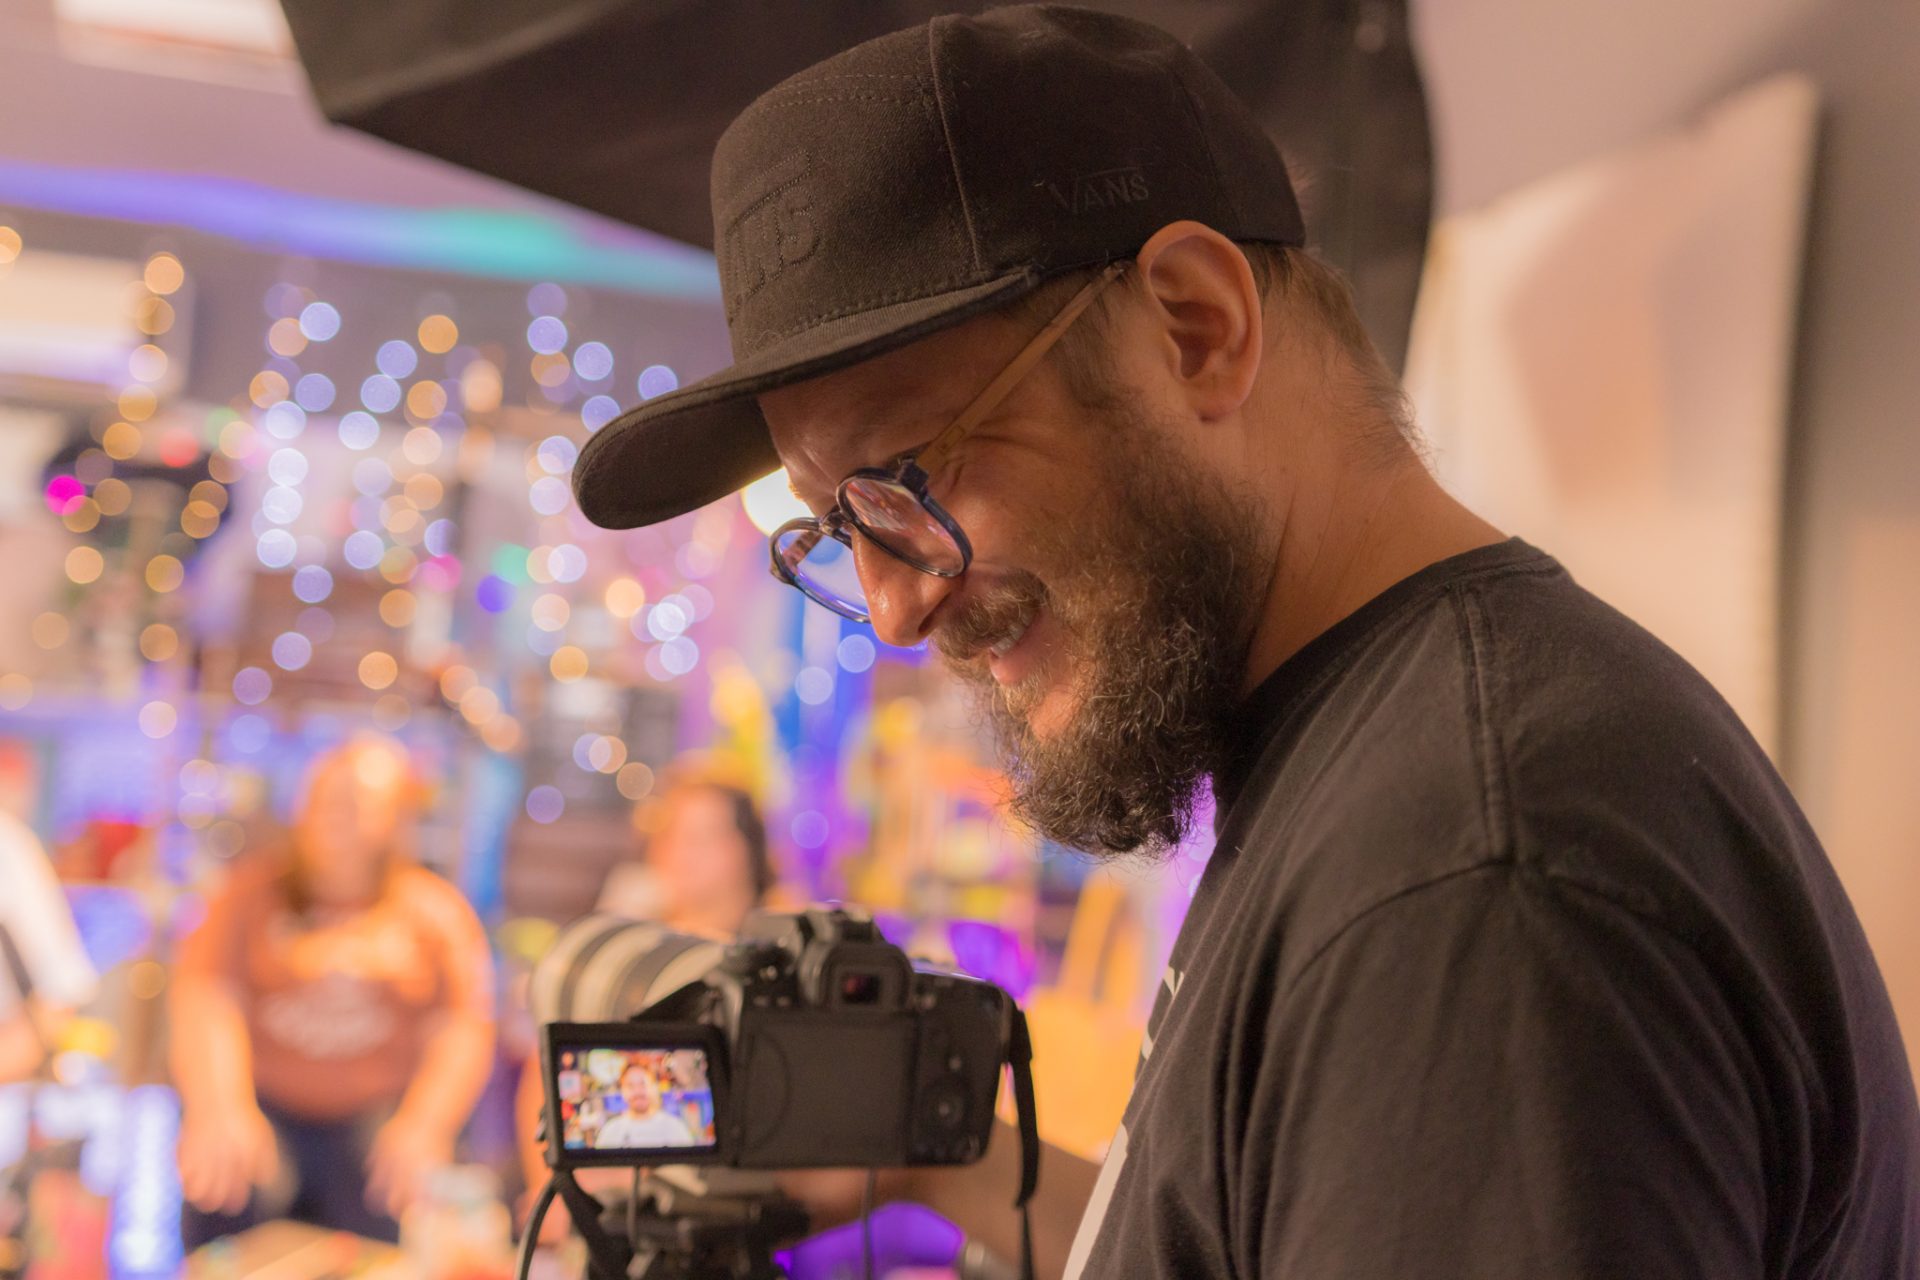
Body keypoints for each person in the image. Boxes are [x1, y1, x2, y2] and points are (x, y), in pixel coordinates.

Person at [567, 7, 1920, 1278]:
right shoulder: (1377, 772)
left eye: (904, 480)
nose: (897, 607)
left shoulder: (1467, 884)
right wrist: (944, 1159)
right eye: (839, 528)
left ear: (1197, 328)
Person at [171, 737, 496, 1246]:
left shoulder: (436, 914)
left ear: (395, 818)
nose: (333, 819)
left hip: (372, 1123)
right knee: (227, 1185)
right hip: (265, 1109)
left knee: (388, 1205)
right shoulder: (246, 895)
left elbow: (462, 1029)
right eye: (323, 800)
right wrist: (219, 1104)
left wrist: (424, 1124)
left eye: (356, 805)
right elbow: (206, 1000)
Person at [591, 1063, 694, 1151]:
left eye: (643, 1084)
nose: (637, 1091)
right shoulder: (610, 1131)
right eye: (630, 1086)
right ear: (622, 1091)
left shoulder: (675, 1127)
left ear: (654, 1087)